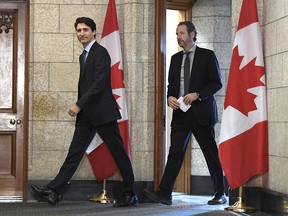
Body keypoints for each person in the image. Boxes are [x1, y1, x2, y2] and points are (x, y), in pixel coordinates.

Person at [31, 17, 138, 207]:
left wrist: (78, 104)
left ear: (94, 32)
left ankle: (130, 194)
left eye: (85, 30)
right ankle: (54, 191)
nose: (81, 33)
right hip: (88, 115)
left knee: (118, 153)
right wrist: (82, 107)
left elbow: (98, 85)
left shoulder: (101, 53)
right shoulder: (84, 55)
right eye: (78, 30)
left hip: (103, 113)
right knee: (75, 153)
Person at [144, 21, 226, 205]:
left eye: (181, 33)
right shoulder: (174, 59)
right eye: (177, 34)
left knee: (210, 153)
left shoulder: (207, 56)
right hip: (181, 113)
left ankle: (220, 193)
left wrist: (198, 94)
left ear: (192, 34)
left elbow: (216, 83)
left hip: (201, 113)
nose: (178, 37)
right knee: (175, 152)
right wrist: (169, 98)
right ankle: (165, 193)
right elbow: (171, 86)